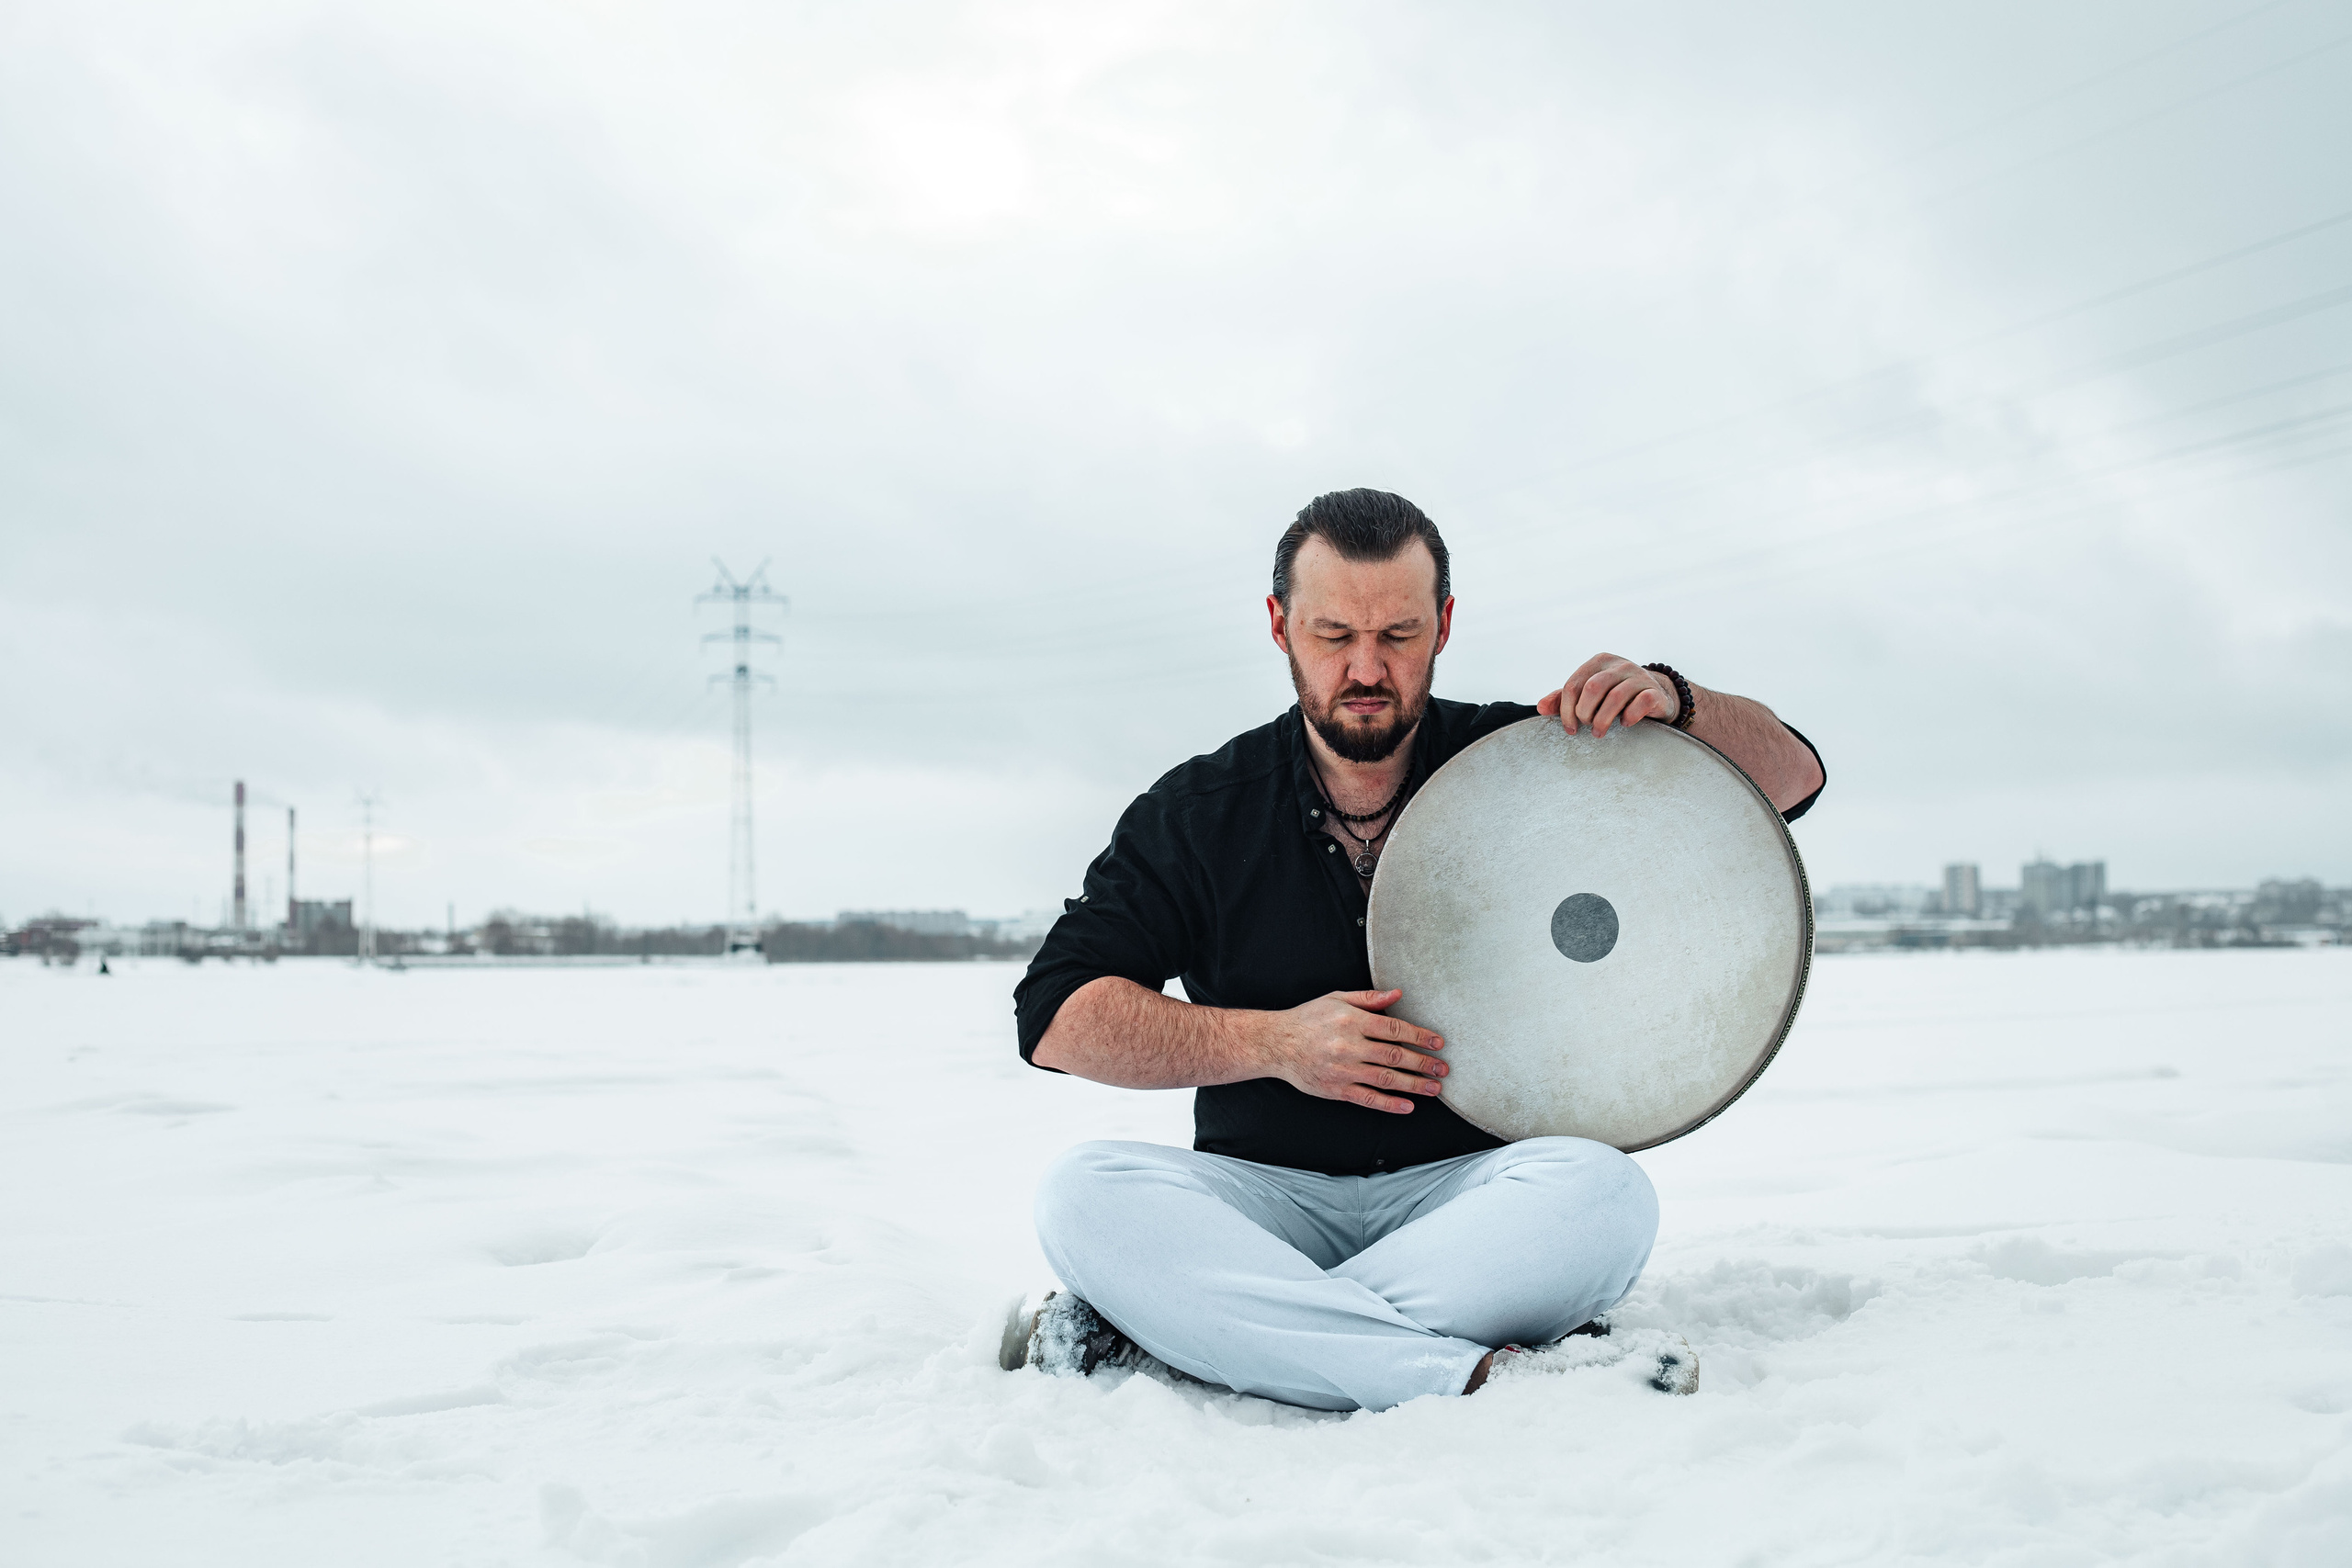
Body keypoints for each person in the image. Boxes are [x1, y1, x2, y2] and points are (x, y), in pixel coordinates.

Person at [1010, 489, 1825, 1411]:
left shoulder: (1532, 761)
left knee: (1602, 1192)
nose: (1366, 667)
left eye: (1397, 634)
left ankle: (1194, 1333)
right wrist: (1277, 1045)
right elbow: (1054, 1017)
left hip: (1473, 1201)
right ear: (1280, 627)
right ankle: (1461, 1371)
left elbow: (1791, 777)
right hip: (1261, 1204)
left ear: (1442, 625)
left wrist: (1677, 701)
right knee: (1084, 1191)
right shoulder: (1199, 812)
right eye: (1333, 635)